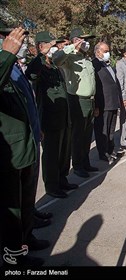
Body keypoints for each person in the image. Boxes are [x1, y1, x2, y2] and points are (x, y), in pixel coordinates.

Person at [0, 26, 48, 266]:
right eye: (4, 36)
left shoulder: (14, 66)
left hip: (26, 142)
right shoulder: (5, 62)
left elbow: (26, 100)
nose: (11, 40)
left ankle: (26, 238)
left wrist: (35, 124)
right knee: (12, 210)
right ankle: (13, 258)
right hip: (9, 150)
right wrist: (6, 54)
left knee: (27, 199)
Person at [25, 31, 77, 199]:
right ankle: (52, 186)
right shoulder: (38, 65)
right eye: (52, 45)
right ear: (41, 46)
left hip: (63, 116)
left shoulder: (54, 65)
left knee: (63, 151)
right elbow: (30, 74)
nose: (55, 48)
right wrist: (41, 55)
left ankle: (62, 179)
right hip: (49, 119)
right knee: (51, 154)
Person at [52, 27, 98, 178]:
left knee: (86, 136)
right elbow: (56, 60)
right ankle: (78, 165)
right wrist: (72, 47)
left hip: (90, 101)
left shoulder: (87, 59)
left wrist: (95, 103)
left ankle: (85, 163)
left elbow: (91, 82)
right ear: (76, 40)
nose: (87, 43)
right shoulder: (69, 58)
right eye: (83, 40)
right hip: (78, 100)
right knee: (78, 136)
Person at [92, 42, 124, 162]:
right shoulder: (94, 65)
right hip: (103, 104)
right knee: (103, 130)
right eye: (105, 51)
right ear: (98, 51)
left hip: (113, 102)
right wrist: (95, 105)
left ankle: (111, 150)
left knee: (111, 129)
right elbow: (95, 86)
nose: (108, 53)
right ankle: (103, 153)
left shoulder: (108, 65)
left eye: (108, 51)